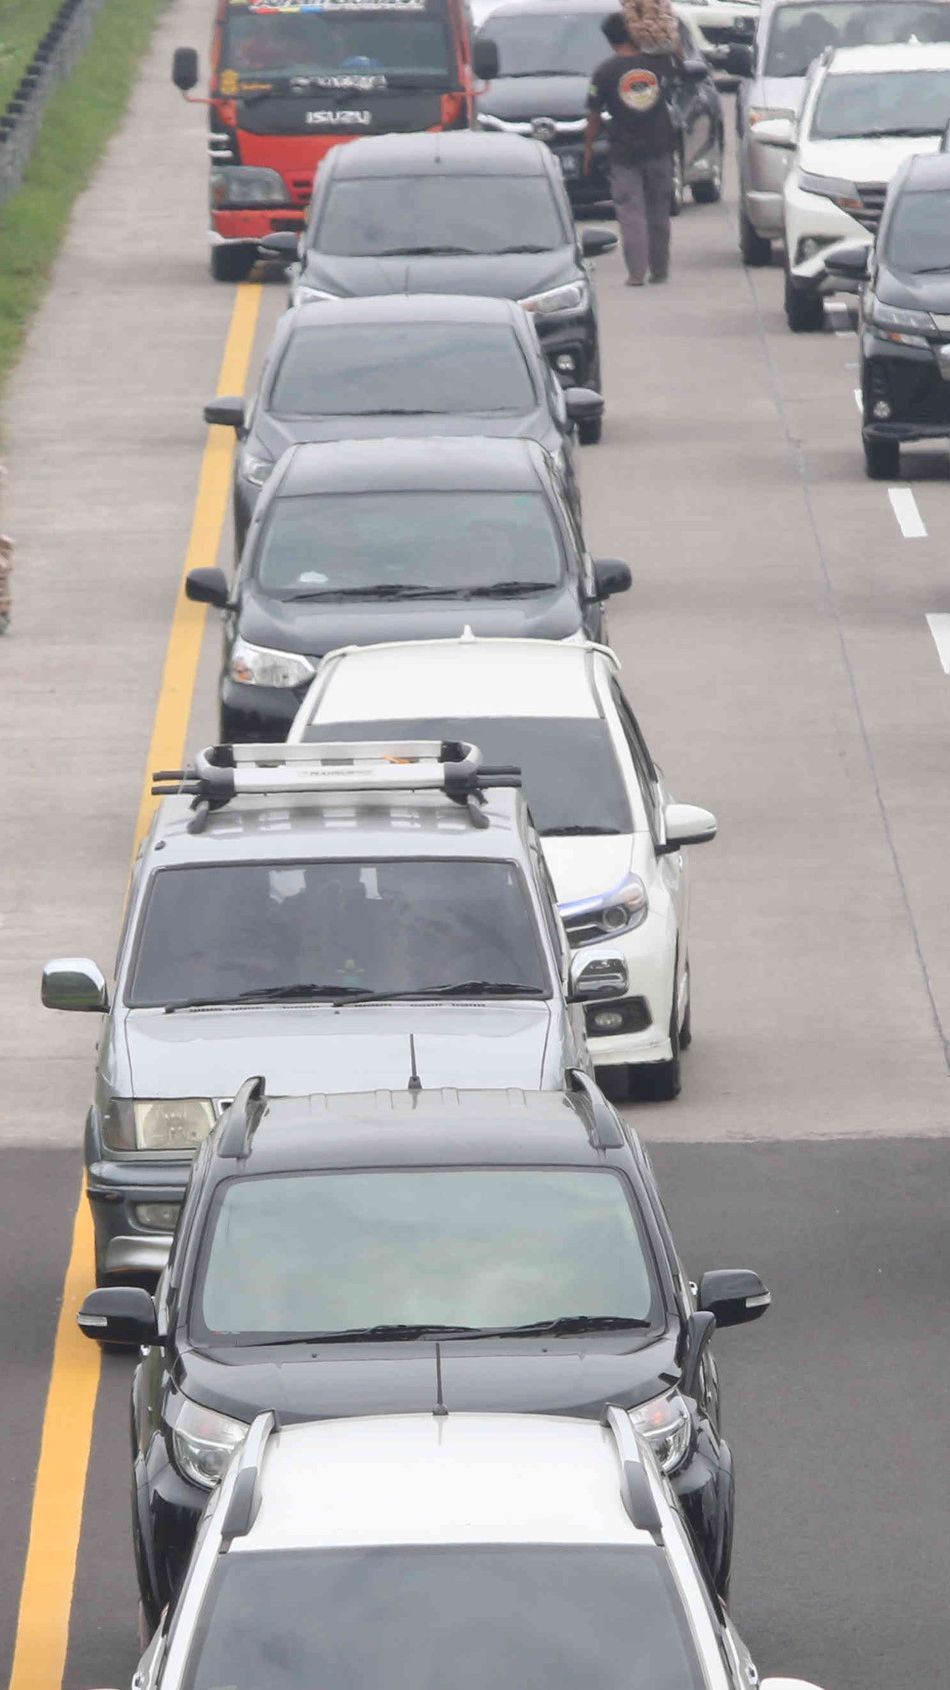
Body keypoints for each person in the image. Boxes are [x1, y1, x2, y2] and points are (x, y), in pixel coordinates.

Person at [583, 11, 679, 287]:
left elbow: (593, 115)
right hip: (660, 147)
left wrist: (589, 148)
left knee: (630, 213)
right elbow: (681, 66)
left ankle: (636, 273)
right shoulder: (657, 63)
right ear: (633, 33)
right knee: (659, 211)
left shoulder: (604, 72)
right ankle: (659, 269)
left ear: (610, 39)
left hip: (623, 153)